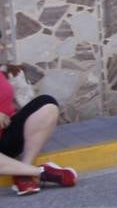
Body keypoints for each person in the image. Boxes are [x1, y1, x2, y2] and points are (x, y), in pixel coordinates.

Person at [2, 63, 76, 196]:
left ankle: (23, 173)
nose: (2, 47)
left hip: (6, 139)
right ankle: (39, 172)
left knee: (47, 104)